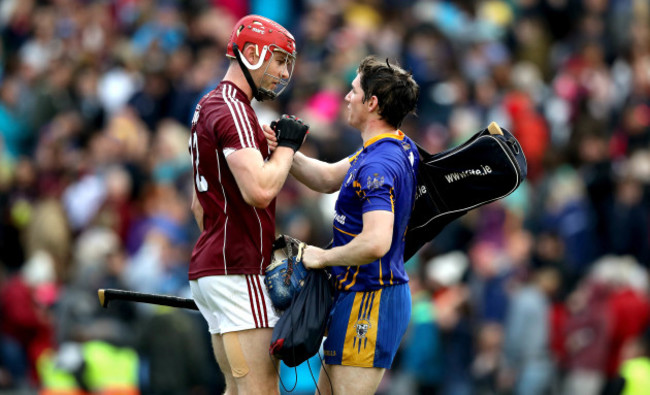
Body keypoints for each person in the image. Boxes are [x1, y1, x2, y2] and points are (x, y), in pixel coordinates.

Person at [267, 55, 420, 394]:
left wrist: (322, 257)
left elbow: (376, 241)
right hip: (359, 296)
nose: (347, 98)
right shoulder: (388, 146)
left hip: (372, 299)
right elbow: (326, 178)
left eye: (353, 91)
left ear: (373, 103)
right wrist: (285, 150)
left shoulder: (378, 164)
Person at [187, 14, 309, 395]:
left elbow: (198, 206)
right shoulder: (235, 110)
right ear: (251, 53)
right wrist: (287, 148)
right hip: (239, 269)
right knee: (261, 390)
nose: (283, 71)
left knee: (238, 389)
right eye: (278, 59)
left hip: (215, 268)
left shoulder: (210, 106)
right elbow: (259, 190)